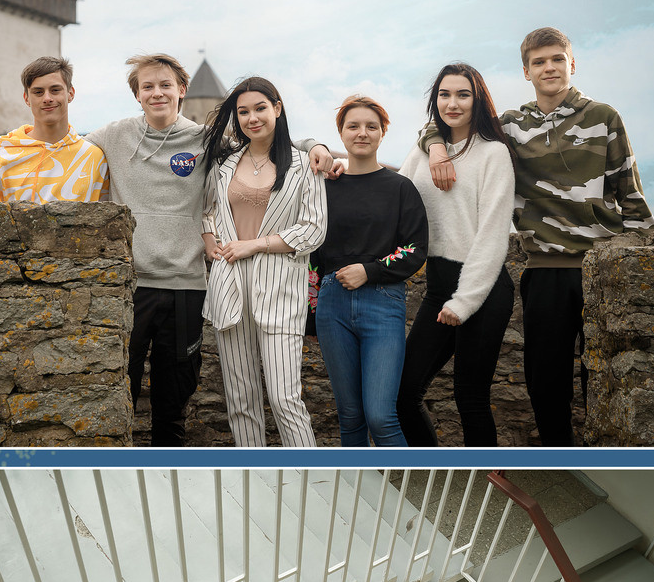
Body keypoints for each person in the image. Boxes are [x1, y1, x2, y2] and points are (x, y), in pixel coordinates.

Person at [0, 53, 337, 446]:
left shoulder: (207, 139)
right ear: (137, 94)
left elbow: (263, 138)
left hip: (186, 285)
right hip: (129, 288)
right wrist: (1, 144)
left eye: (165, 85)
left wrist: (314, 144)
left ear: (182, 90)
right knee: (121, 391)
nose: (157, 93)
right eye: (147, 86)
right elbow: (59, 142)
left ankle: (172, 472)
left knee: (174, 399)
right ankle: (123, 474)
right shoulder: (112, 136)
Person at [418, 28, 651, 446]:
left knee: (606, 378)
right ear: (526, 72)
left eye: (557, 59)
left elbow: (631, 198)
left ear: (571, 63)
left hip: (601, 272)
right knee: (545, 382)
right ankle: (559, 458)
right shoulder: (510, 126)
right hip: (543, 270)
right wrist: (435, 146)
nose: (549, 68)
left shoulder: (603, 117)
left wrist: (635, 272)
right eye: (539, 62)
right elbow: (451, 123)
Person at [196, 76, 327, 447]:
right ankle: (253, 472)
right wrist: (209, 240)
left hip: (280, 290)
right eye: (243, 112)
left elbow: (313, 230)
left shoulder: (305, 165)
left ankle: (308, 473)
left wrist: (254, 245)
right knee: (241, 399)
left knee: (285, 398)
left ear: (277, 108)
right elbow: (206, 209)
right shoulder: (223, 164)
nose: (252, 118)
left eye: (260, 108)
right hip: (229, 288)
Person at [396, 62, 517, 446]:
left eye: (463, 94)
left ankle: (489, 476)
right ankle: (430, 467)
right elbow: (394, 199)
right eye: (444, 94)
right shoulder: (424, 152)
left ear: (477, 100)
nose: (453, 103)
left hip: (483, 290)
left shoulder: (494, 154)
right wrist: (341, 168)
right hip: (438, 287)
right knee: (403, 394)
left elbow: (493, 235)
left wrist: (465, 300)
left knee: (471, 397)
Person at [310, 94, 429, 447]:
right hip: (331, 308)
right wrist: (311, 312)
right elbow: (311, 253)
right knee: (350, 416)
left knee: (381, 416)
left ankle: (406, 484)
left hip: (383, 303)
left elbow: (415, 249)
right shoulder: (322, 187)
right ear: (341, 133)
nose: (362, 133)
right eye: (353, 126)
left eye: (371, 126)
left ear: (382, 133)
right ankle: (357, 483)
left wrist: (370, 270)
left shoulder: (400, 187)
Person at [0, 56, 108, 204]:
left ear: (70, 94)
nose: (47, 98)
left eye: (55, 90)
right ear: (26, 98)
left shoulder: (95, 158)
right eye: (38, 92)